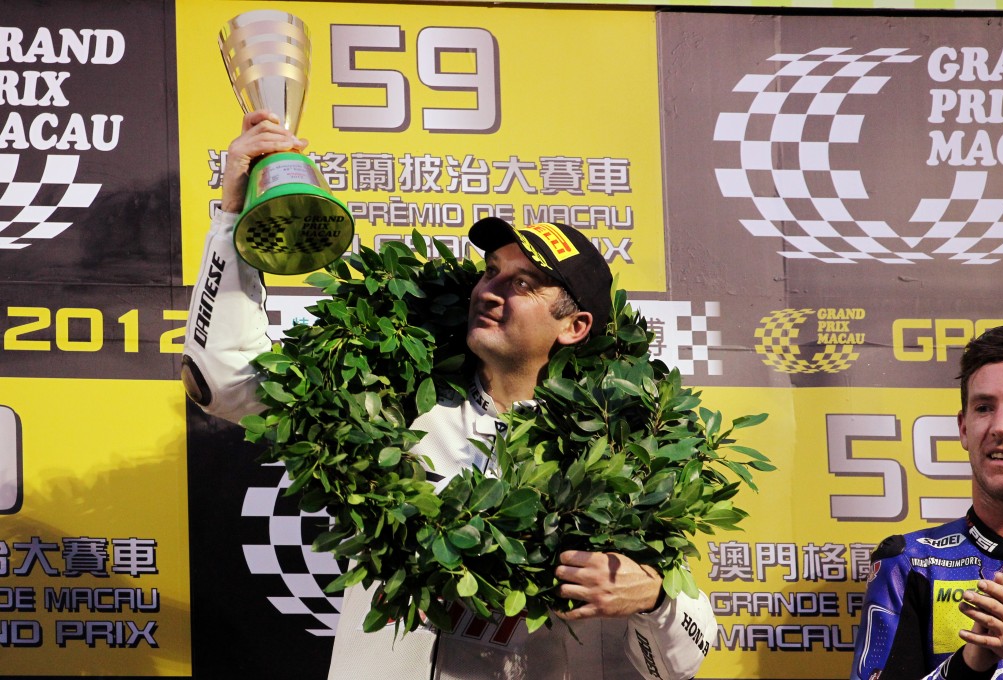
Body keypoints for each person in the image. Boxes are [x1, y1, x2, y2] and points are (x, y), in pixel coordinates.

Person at [182, 110, 717, 680]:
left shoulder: (624, 460)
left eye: (522, 284)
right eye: (490, 272)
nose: (490, 291)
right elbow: (225, 380)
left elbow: (682, 661)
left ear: (574, 327)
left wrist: (657, 598)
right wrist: (233, 216)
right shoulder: (385, 409)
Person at [851, 324, 1003, 680]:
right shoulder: (909, 563)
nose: (1001, 426)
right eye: (985, 407)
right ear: (963, 428)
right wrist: (969, 663)